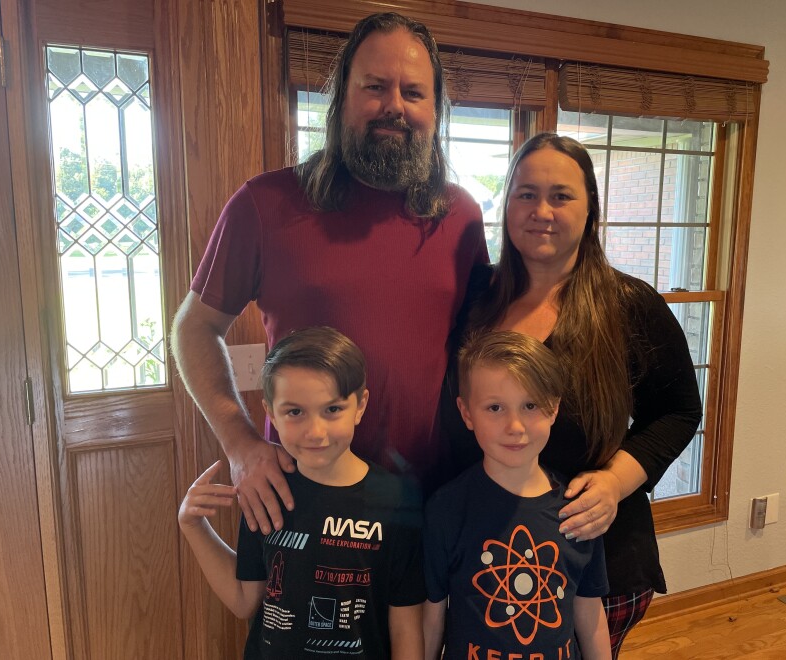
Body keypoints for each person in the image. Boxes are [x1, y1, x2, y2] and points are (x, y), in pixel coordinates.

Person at [171, 12, 488, 535]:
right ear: (341, 97)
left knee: (419, 623)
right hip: (300, 498)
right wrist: (241, 444)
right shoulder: (265, 204)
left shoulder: (462, 217)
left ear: (436, 109)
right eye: (375, 86)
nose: (395, 106)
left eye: (414, 92)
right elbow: (193, 327)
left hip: (431, 501)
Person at [441, 133, 703, 657]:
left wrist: (613, 482)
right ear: (506, 205)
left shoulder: (629, 305)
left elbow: (678, 411)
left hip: (595, 560)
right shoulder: (473, 299)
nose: (542, 210)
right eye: (525, 194)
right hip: (481, 551)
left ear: (590, 211)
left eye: (561, 196)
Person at [178, 326, 425, 659]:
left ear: (360, 405)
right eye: (295, 412)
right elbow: (243, 599)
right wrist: (194, 527)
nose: (315, 431)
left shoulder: (396, 501)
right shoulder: (265, 490)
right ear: (271, 413)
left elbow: (405, 625)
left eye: (332, 410)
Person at [424, 331, 610, 660]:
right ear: (467, 414)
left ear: (554, 408)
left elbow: (590, 613)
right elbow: (432, 617)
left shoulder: (578, 506)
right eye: (495, 407)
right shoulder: (447, 509)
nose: (515, 426)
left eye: (530, 405)